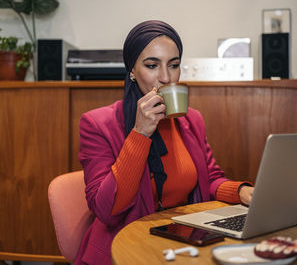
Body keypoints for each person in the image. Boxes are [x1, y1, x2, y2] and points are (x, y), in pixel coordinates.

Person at [75, 20, 254, 265]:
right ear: (132, 71)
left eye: (174, 65)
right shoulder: (97, 124)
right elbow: (107, 209)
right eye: (151, 65)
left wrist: (243, 192)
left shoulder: (191, 120)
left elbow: (209, 179)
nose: (166, 78)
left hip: (179, 243)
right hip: (123, 248)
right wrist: (140, 133)